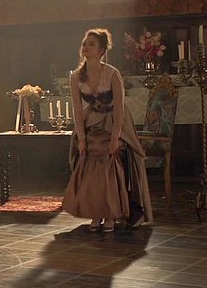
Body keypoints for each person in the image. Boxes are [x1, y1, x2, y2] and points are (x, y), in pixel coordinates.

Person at [63, 28, 152, 232]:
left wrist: (114, 138)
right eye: (84, 43)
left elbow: (119, 108)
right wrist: (81, 138)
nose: (86, 47)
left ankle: (111, 214)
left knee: (108, 158)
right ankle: (96, 213)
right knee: (88, 158)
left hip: (114, 122)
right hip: (91, 121)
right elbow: (77, 109)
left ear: (102, 50)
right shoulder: (76, 77)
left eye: (91, 44)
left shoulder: (112, 73)